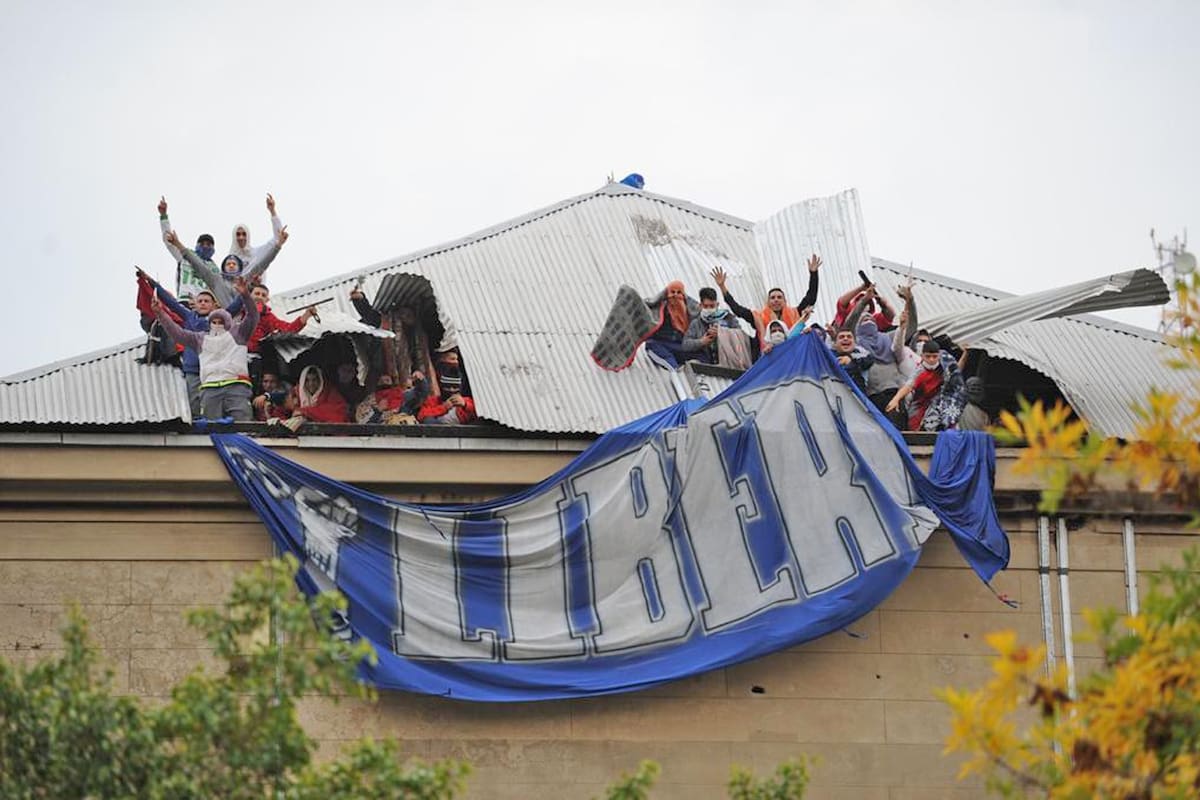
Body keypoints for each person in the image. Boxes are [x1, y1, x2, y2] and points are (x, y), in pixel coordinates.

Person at [138, 269, 244, 417]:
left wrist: (248, 287)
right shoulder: (189, 316)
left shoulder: (221, 318)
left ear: (215, 305)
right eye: (200, 301)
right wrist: (150, 280)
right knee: (194, 404)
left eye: (207, 301)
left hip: (215, 370)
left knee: (215, 407)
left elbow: (238, 303)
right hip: (193, 369)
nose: (203, 304)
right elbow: (170, 302)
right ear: (195, 303)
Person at [163, 219, 288, 308]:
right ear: (223, 268)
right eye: (229, 263)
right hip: (223, 319)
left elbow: (262, 265)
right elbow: (197, 264)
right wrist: (178, 244)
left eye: (235, 263)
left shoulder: (244, 280)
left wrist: (278, 245)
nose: (232, 265)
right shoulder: (216, 280)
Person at [712, 256, 820, 356]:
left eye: (779, 297)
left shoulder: (795, 313)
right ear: (767, 302)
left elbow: (810, 298)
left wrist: (813, 274)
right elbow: (737, 309)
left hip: (791, 356)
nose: (776, 300)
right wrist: (722, 287)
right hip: (767, 356)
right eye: (772, 298)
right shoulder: (758, 317)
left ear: (785, 301)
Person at [886, 340, 971, 432]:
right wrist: (896, 399)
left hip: (943, 403)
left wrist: (965, 354)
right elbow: (908, 386)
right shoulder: (919, 372)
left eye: (934, 356)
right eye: (928, 356)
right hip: (921, 406)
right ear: (922, 356)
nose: (931, 360)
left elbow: (955, 374)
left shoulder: (946, 361)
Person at [157, 196, 215, 304]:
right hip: (186, 301)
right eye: (202, 244)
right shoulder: (185, 256)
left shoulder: (214, 267)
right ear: (197, 245)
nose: (206, 247)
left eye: (209, 244)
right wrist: (163, 216)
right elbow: (169, 241)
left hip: (206, 305)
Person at [682, 287, 752, 369]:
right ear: (700, 306)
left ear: (717, 305)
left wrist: (721, 333)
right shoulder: (696, 323)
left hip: (730, 363)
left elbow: (741, 336)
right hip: (707, 364)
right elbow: (685, 345)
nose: (708, 309)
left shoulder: (728, 318)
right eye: (705, 306)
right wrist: (701, 342)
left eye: (712, 306)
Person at [642, 281, 705, 370]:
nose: (675, 295)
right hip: (663, 344)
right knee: (652, 345)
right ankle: (674, 367)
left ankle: (692, 365)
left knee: (703, 355)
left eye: (679, 292)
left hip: (681, 346)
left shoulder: (691, 312)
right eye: (672, 292)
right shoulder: (659, 309)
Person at [246, 283, 316, 354]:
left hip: (254, 355)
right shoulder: (238, 310)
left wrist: (306, 315)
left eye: (263, 295)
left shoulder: (268, 317)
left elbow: (288, 329)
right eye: (257, 294)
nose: (260, 297)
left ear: (267, 300)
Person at [276, 365, 350, 431]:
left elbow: (340, 413)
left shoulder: (329, 391)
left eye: (314, 380)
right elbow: (282, 409)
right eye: (307, 380)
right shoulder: (295, 392)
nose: (311, 384)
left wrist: (304, 413)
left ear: (320, 381)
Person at [419, 351, 477, 425]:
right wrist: (443, 407)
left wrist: (465, 404)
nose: (451, 390)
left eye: (454, 388)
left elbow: (481, 412)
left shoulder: (466, 401)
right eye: (448, 387)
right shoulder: (433, 401)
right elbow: (421, 415)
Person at [831, 328, 873, 393]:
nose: (845, 339)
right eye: (841, 337)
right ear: (835, 343)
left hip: (857, 397)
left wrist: (850, 363)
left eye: (849, 337)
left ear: (855, 343)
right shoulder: (828, 357)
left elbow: (867, 362)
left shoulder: (864, 356)